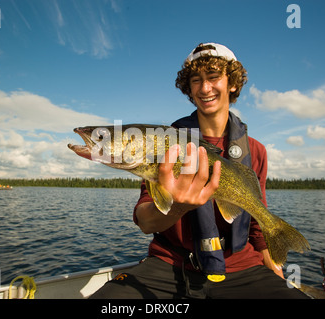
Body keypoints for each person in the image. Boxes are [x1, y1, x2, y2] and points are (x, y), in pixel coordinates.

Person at [90, 42, 309, 299]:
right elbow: (146, 221)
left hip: (241, 266)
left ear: (233, 83)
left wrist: (278, 280)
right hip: (171, 265)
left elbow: (258, 229)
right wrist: (180, 206)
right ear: (189, 88)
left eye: (214, 77)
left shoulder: (255, 151)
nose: (205, 88)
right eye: (196, 80)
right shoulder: (163, 140)